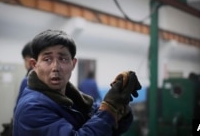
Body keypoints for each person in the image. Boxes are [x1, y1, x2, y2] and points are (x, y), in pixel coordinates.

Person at [13, 29, 142, 136]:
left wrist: (120, 108)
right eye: (47, 59)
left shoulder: (73, 98)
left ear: (73, 64)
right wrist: (109, 109)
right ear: (34, 65)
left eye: (63, 59)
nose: (55, 67)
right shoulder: (32, 107)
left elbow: (110, 127)